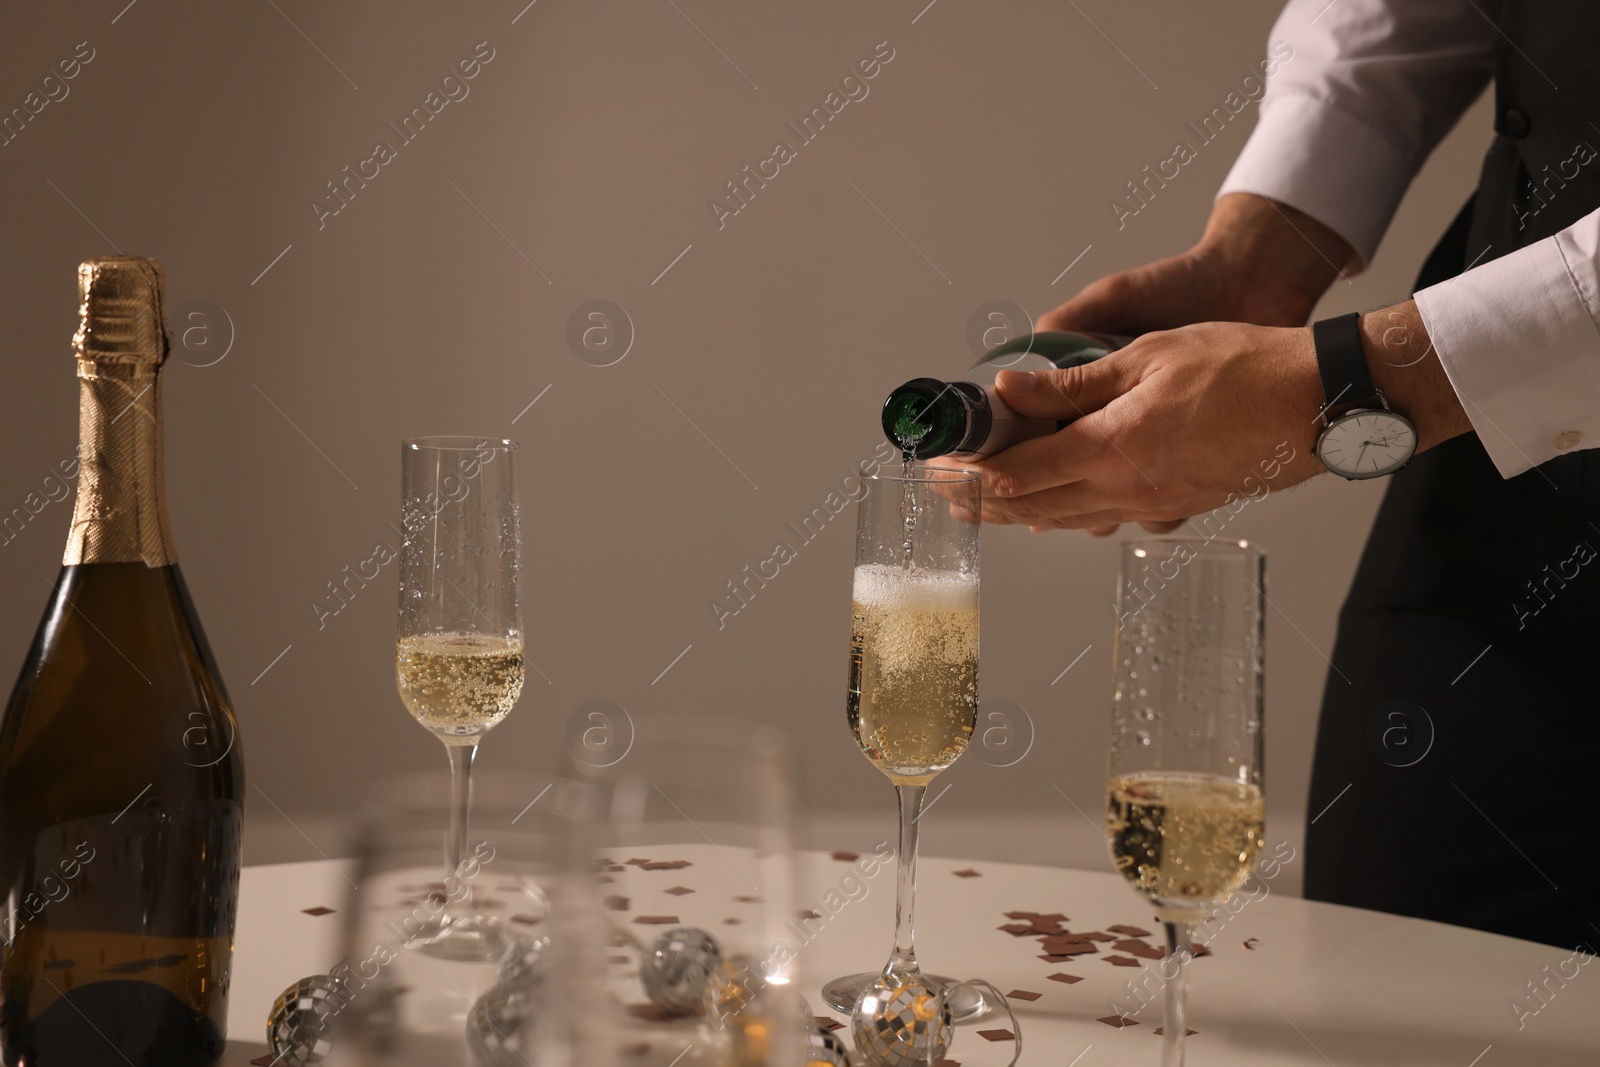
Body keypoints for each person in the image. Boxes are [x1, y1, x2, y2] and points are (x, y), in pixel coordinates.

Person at [969, 0, 1600, 950]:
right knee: (1391, 968)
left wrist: (1344, 388)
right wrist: (1258, 254)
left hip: (1472, 373)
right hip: (1513, 484)